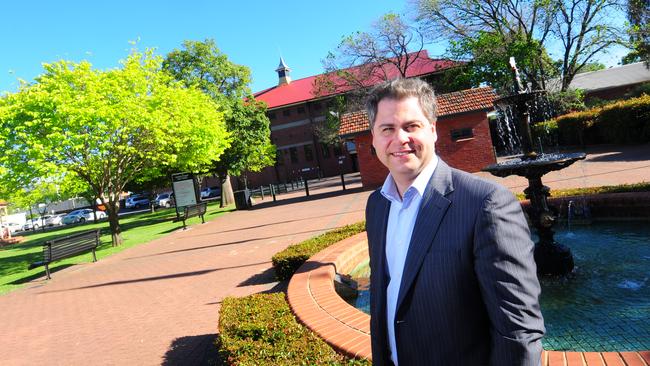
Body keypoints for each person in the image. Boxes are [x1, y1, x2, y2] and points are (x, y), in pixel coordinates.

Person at [364, 78, 545, 365]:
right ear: (373, 138)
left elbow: (518, 330)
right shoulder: (376, 205)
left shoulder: (486, 203)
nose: (399, 139)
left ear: (433, 130)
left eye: (411, 126)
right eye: (387, 129)